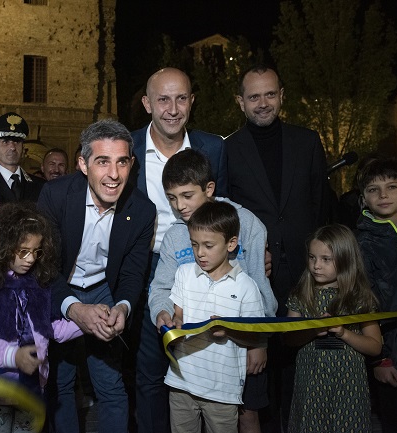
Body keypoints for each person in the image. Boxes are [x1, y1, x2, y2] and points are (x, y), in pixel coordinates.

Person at [225, 64, 330, 431]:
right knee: (260, 371)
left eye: (270, 94)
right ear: (241, 102)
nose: (263, 103)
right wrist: (246, 255)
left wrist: (323, 263)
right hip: (257, 275)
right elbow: (227, 214)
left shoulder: (308, 141)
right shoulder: (229, 150)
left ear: (282, 96)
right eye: (254, 96)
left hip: (307, 272)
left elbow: (321, 206)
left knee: (304, 365)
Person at [38, 119, 156, 433]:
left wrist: (123, 308)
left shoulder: (142, 211)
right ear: (83, 164)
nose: (114, 174)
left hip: (104, 288)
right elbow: (44, 266)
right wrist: (73, 308)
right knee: (60, 383)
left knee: (111, 385)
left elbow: (132, 272)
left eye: (122, 162)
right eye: (103, 161)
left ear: (131, 164)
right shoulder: (55, 195)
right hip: (61, 285)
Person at [148, 149, 277, 433]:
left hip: (242, 345)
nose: (180, 206)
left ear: (209, 188)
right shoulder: (175, 236)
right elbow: (161, 287)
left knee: (247, 416)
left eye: (187, 195)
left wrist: (260, 342)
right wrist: (162, 312)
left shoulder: (247, 223)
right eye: (172, 198)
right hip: (195, 357)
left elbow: (260, 285)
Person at [131, 67, 229, 433]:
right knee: (149, 370)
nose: (173, 109)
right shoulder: (127, 147)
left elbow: (225, 207)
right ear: (147, 104)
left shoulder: (214, 147)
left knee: (205, 366)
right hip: (147, 269)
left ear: (192, 101)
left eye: (181, 98)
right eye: (163, 100)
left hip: (204, 267)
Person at [0, 203, 82, 433]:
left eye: (36, 251)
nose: (31, 259)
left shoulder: (38, 283)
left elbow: (52, 328)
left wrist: (90, 322)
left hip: (32, 389)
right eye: (23, 251)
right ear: (2, 246)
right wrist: (13, 355)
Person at [165, 200, 264, 433]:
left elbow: (255, 337)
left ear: (231, 243)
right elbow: (178, 314)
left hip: (223, 391)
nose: (200, 253)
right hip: (181, 383)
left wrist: (228, 330)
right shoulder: (184, 274)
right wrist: (175, 324)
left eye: (208, 245)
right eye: (194, 244)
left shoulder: (247, 287)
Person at [284, 224, 382, 433]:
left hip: (349, 386)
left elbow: (375, 347)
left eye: (326, 259)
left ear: (346, 259)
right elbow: (289, 339)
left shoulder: (359, 298)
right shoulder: (301, 295)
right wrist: (312, 330)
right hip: (310, 383)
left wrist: (344, 332)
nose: (316, 266)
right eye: (312, 257)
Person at [355, 158, 397, 433]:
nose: (383, 195)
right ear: (364, 199)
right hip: (395, 358)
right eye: (373, 189)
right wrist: (379, 359)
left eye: (391, 186)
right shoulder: (361, 243)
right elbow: (363, 303)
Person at [0, 112, 45, 204]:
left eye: (17, 141)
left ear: (23, 148)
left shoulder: (40, 185)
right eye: (5, 142)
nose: (12, 147)